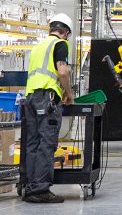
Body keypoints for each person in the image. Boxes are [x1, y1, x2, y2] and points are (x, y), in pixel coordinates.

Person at [22, 14, 75, 204]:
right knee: (47, 143)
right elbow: (63, 71)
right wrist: (68, 92)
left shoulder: (38, 46)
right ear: (66, 33)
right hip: (47, 99)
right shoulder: (60, 44)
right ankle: (40, 189)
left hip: (30, 99)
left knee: (32, 144)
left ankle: (29, 187)